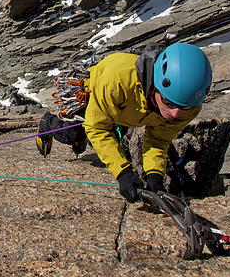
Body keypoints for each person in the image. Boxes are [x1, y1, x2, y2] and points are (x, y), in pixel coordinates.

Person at [83, 42, 213, 202]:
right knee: (73, 133)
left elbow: (158, 139)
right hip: (93, 90)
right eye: (169, 103)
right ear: (156, 85)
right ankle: (49, 123)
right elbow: (97, 128)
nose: (173, 114)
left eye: (183, 108)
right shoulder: (117, 81)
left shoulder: (189, 106)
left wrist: (154, 176)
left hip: (129, 113)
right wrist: (122, 172)